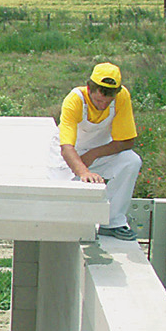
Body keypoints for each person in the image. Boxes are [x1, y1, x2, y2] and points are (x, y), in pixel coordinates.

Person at [50, 61, 142, 240]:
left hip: (100, 151)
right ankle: (72, 225)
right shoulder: (75, 99)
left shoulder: (122, 97)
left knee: (132, 161)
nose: (103, 105)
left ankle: (112, 221)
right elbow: (66, 147)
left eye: (108, 101)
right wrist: (83, 171)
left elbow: (126, 141)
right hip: (66, 155)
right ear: (89, 88)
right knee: (61, 195)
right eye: (99, 100)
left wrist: (93, 155)